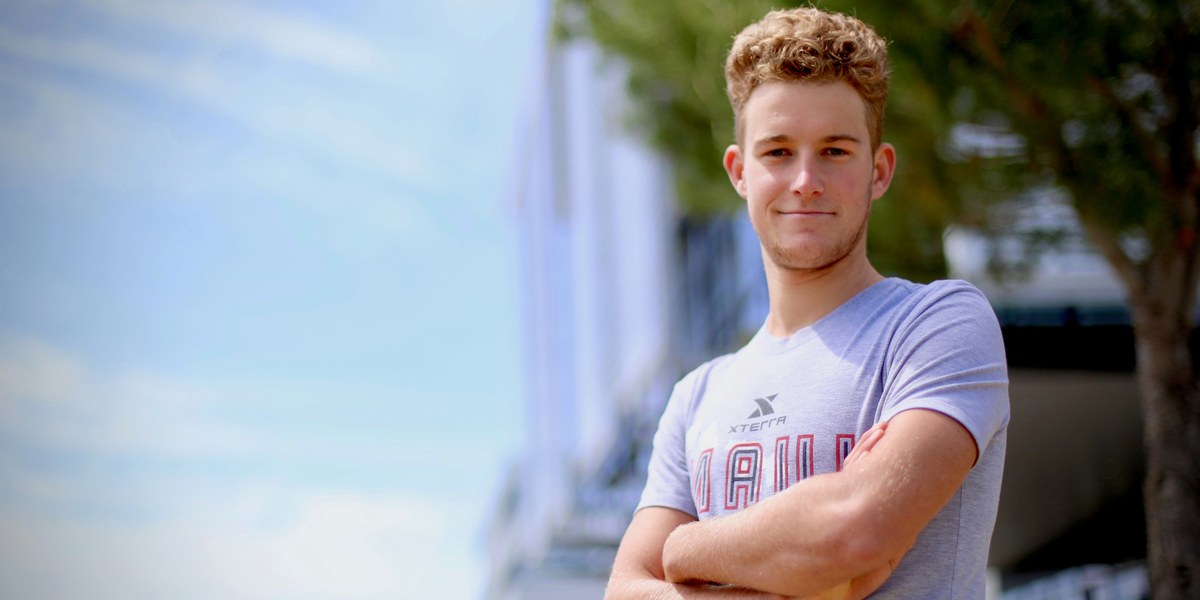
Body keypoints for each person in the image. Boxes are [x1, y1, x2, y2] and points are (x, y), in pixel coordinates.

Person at [605, 6, 1009, 600]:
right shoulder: (698, 395)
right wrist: (805, 571)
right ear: (740, 172)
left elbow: (851, 536)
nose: (805, 181)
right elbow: (624, 591)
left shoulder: (936, 325)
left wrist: (684, 548)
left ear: (880, 169)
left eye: (836, 151)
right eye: (777, 152)